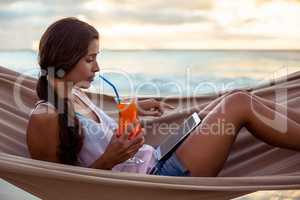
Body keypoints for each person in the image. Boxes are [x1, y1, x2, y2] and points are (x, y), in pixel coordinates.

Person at [26, 17, 300, 177]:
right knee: (238, 104)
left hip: (156, 158)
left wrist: (134, 107)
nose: (97, 68)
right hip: (156, 179)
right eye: (89, 59)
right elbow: (63, 188)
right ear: (66, 58)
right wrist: (110, 159)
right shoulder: (45, 118)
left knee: (234, 95)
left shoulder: (75, 96)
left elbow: (90, 135)